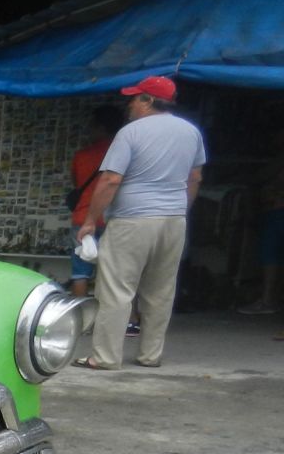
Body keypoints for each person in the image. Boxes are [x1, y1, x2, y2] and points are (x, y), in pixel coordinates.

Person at [74, 76, 206, 370]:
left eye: (134, 98)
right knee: (161, 290)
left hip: (132, 219)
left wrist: (90, 220)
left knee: (116, 289)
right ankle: (150, 354)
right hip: (174, 220)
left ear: (148, 101)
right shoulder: (191, 132)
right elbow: (195, 177)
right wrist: (179, 210)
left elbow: (111, 179)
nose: (130, 104)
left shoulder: (130, 133)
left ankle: (105, 357)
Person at [66, 105, 121, 298]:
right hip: (112, 219)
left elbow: (76, 182)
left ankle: (79, 314)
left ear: (101, 127)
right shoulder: (122, 154)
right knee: (113, 273)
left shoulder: (82, 155)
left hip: (83, 218)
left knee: (80, 273)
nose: (89, 130)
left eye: (92, 126)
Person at [238, 126, 284, 321]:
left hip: (277, 209)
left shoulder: (279, 160)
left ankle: (267, 300)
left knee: (270, 254)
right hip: (275, 208)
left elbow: (261, 177)